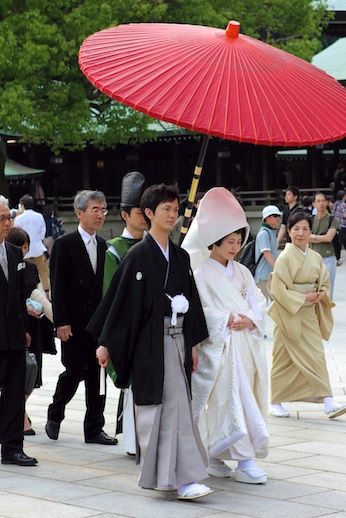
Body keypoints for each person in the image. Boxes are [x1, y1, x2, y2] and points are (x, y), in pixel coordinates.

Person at [87, 184, 213, 501]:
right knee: (165, 408)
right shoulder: (137, 257)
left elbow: (193, 303)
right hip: (149, 344)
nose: (172, 215)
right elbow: (119, 304)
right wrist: (106, 344)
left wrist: (194, 343)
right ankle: (179, 478)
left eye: (175, 209)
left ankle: (174, 476)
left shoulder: (181, 256)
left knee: (178, 406)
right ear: (148, 214)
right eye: (165, 209)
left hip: (178, 341)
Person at [183, 188, 268, 485]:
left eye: (238, 242)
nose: (235, 247)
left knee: (243, 400)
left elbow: (258, 299)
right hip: (219, 347)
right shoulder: (200, 273)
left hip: (244, 346)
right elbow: (198, 310)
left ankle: (226, 455)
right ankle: (238, 459)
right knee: (227, 401)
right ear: (215, 242)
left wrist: (252, 318)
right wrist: (226, 318)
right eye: (229, 242)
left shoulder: (243, 271)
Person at [45, 190, 116, 446]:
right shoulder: (65, 245)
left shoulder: (105, 247)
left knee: (98, 376)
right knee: (74, 372)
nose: (100, 214)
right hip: (73, 323)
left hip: (98, 324)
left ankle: (94, 428)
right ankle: (55, 413)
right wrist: (60, 322)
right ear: (79, 213)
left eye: (103, 209)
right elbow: (58, 284)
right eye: (95, 209)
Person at [269, 211, 346, 419]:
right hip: (289, 313)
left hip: (308, 314)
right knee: (283, 359)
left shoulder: (315, 257)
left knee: (316, 354)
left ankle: (327, 400)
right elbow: (277, 288)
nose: (300, 233)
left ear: (311, 232)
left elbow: (324, 280)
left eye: (305, 229)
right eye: (296, 228)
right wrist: (303, 298)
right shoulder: (285, 257)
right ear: (289, 232)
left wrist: (321, 292)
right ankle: (275, 401)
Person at [103, 171, 147, 455]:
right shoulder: (115, 251)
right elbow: (110, 298)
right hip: (128, 328)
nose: (144, 216)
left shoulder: (157, 246)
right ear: (124, 214)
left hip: (152, 326)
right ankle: (133, 441)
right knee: (133, 386)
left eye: (147, 211)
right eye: (138, 211)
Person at [0, 195, 38, 466]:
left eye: (8, 217)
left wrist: (24, 329)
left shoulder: (14, 252)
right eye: (1, 218)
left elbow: (16, 296)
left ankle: (13, 447)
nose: (6, 223)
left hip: (13, 333)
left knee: (15, 393)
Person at [6, 227, 54, 435]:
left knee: (31, 373)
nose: (23, 250)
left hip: (32, 326)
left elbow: (38, 296)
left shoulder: (31, 267)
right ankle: (20, 416)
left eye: (25, 246)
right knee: (17, 375)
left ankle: (18, 411)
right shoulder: (9, 265)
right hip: (15, 325)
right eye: (21, 246)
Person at [14, 194, 50, 296]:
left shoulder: (19, 218)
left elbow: (16, 234)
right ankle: (47, 295)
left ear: (22, 205)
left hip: (24, 251)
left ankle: (29, 294)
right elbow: (43, 232)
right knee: (43, 272)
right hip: (38, 248)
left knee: (25, 273)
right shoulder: (39, 216)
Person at [310, 192, 339, 299]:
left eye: (323, 201)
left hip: (328, 257)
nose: (321, 203)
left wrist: (312, 237)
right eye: (318, 201)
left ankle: (327, 313)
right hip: (312, 258)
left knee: (327, 289)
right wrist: (320, 238)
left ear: (327, 203)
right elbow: (305, 237)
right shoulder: (310, 219)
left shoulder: (332, 219)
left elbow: (328, 238)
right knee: (313, 289)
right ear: (314, 204)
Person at [254, 205, 282, 302]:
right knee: (264, 307)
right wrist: (279, 270)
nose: (278, 218)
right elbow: (267, 254)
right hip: (263, 277)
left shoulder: (271, 232)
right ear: (267, 218)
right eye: (275, 216)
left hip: (270, 276)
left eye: (278, 216)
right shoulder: (264, 233)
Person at [332, 190, 346, 262]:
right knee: (341, 241)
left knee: (339, 241)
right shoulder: (343, 204)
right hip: (343, 225)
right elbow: (344, 215)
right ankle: (338, 257)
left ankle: (337, 256)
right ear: (343, 196)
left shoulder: (336, 203)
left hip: (336, 224)